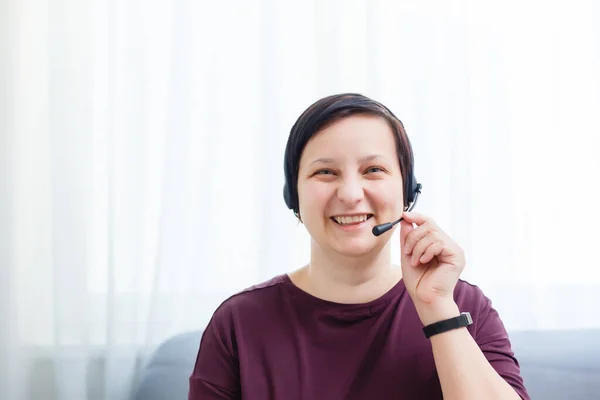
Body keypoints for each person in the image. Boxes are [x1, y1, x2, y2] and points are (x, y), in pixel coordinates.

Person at [188, 93, 530, 400]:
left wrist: (437, 310)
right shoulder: (239, 323)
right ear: (293, 195)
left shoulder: (462, 306)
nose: (350, 194)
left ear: (407, 192)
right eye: (325, 172)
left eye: (373, 169)